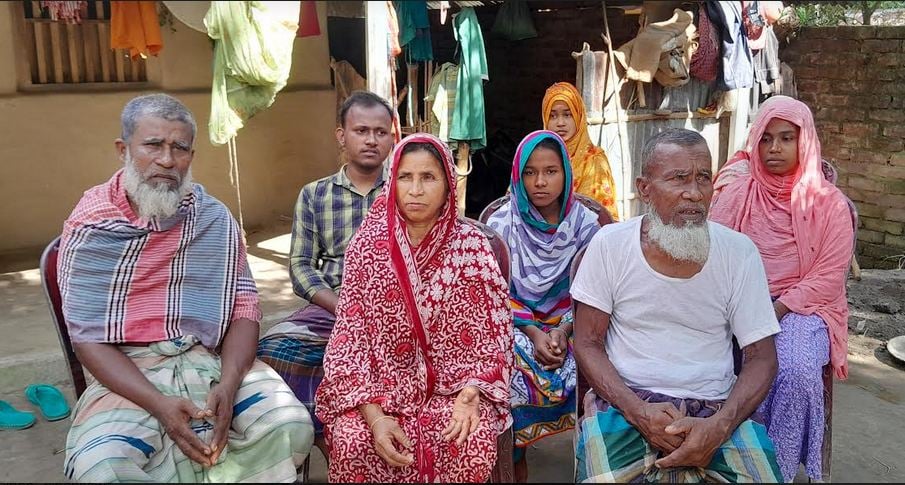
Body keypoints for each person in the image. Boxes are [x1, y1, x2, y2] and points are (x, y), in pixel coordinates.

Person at [59, 93, 313, 483]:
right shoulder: (92, 224)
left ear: (191, 156)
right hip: (127, 370)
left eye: (179, 148)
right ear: (122, 150)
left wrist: (229, 386)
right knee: (103, 466)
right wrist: (159, 404)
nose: (166, 160)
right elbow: (87, 337)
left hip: (207, 358)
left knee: (289, 425)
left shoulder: (213, 219)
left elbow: (244, 310)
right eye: (153, 145)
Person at [571, 128, 784, 482]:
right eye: (679, 179)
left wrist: (719, 426)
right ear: (644, 189)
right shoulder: (610, 245)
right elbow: (587, 343)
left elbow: (762, 357)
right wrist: (639, 412)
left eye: (703, 178)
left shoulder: (739, 252)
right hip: (625, 405)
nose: (695, 193)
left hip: (717, 407)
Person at [314, 133, 515, 482]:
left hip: (453, 389)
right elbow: (349, 338)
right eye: (405, 177)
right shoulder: (369, 245)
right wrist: (375, 417)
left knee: (470, 439)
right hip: (378, 392)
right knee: (353, 440)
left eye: (428, 178)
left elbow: (494, 336)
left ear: (448, 185)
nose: (416, 190)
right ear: (392, 181)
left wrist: (472, 392)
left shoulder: (471, 247)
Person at [709, 95, 854, 482]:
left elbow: (827, 277)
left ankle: (776, 470)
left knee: (792, 369)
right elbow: (714, 252)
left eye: (786, 138)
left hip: (804, 308)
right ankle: (721, 461)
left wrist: (776, 309)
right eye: (766, 138)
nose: (774, 148)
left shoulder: (829, 204)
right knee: (704, 357)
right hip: (739, 302)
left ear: (804, 142)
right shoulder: (738, 195)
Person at [256, 91, 395, 445]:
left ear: (392, 137)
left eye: (380, 132)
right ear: (341, 136)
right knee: (272, 350)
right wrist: (339, 305)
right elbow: (301, 265)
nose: (371, 140)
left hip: (396, 311)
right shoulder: (315, 195)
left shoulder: (404, 190)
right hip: (333, 307)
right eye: (361, 130)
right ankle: (323, 434)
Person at [486, 130, 599, 482]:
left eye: (551, 171)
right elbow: (493, 291)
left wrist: (564, 329)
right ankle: (514, 463)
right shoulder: (500, 224)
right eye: (530, 173)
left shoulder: (586, 225)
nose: (540, 182)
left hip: (573, 319)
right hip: (517, 322)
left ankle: (590, 459)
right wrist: (534, 331)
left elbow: (592, 289)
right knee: (507, 362)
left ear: (566, 172)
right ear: (518, 176)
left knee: (596, 358)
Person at [542, 82, 620, 220]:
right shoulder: (536, 158)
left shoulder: (594, 160)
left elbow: (603, 218)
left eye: (567, 115)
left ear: (579, 117)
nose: (560, 123)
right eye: (553, 116)